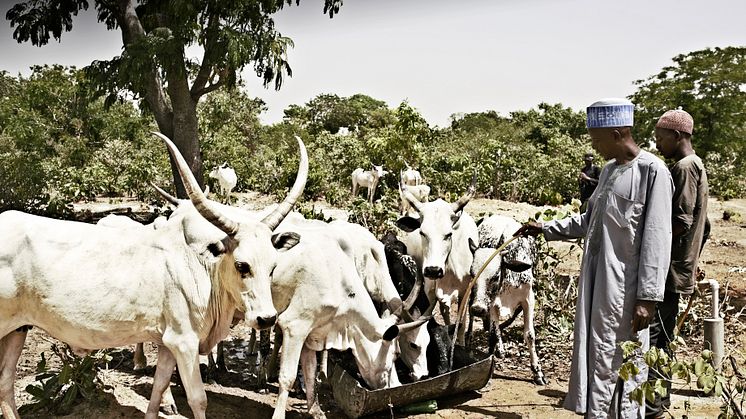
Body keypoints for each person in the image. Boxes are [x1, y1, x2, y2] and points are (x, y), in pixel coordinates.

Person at [515, 98, 674, 418]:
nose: (593, 146)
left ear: (617, 133)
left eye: (596, 139)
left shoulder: (651, 171)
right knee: (598, 353)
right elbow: (588, 221)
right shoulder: (608, 172)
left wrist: (648, 297)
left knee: (622, 358)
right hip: (596, 284)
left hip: (626, 290)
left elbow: (658, 236)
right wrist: (544, 228)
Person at [646, 109, 709, 418]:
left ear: (678, 136)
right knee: (666, 335)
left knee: (655, 336)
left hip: (669, 269)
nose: (657, 143)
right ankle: (662, 398)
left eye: (661, 137)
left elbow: (681, 222)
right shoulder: (697, 165)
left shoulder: (682, 167)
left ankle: (651, 404)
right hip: (681, 266)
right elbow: (704, 225)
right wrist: (693, 258)